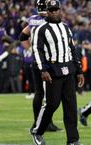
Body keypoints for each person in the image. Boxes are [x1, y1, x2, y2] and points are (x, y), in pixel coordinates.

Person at [31, 0, 85, 145]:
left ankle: (72, 140)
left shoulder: (66, 28)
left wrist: (79, 71)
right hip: (52, 71)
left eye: (56, 10)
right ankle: (37, 131)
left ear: (60, 10)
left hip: (68, 70)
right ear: (47, 12)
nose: (54, 12)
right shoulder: (41, 29)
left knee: (71, 106)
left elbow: (72, 50)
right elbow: (37, 50)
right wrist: (43, 70)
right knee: (51, 104)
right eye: (51, 10)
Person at [19, 0, 61, 132]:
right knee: (49, 95)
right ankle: (42, 124)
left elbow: (22, 36)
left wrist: (32, 50)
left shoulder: (32, 20)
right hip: (47, 62)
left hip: (36, 60)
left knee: (40, 93)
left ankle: (42, 122)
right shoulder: (48, 20)